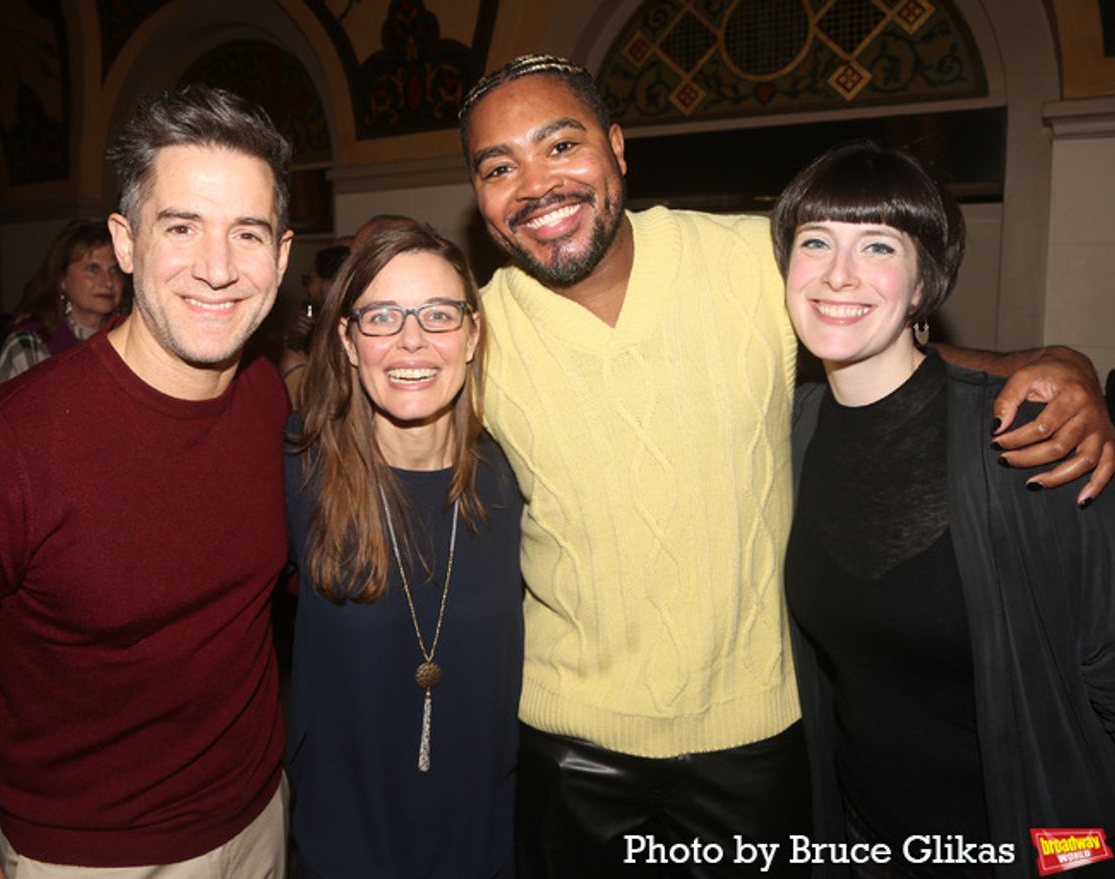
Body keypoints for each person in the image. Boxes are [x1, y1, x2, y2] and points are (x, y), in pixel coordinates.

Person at [456, 54, 1115, 876]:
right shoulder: (470, 335)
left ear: (617, 146)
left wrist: (1052, 364)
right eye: (498, 166)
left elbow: (875, 329)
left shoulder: (750, 259)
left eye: (562, 145)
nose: (536, 184)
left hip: (761, 734)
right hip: (568, 745)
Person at [0, 83, 294, 877]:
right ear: (125, 243)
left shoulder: (267, 396)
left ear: (282, 256)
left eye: (247, 234)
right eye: (181, 227)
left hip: (262, 819)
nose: (218, 269)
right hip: (92, 858)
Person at [776, 141, 1115, 877]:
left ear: (924, 282)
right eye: (815, 242)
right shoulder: (788, 433)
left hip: (1033, 847)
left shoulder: (1032, 437)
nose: (838, 274)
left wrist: (1080, 855)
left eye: (877, 245)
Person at [285, 225, 523, 878]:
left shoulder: (515, 478)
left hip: (487, 848)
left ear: (472, 336)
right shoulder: (300, 468)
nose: (411, 340)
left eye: (438, 315)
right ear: (348, 341)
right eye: (383, 316)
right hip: (343, 851)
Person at [0, 220, 124, 389]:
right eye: (92, 269)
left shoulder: (131, 338)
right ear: (61, 280)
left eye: (115, 270)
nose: (108, 282)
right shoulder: (30, 344)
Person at [279, 242, 350, 405]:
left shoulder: (338, 327)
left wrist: (291, 353)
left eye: (309, 280)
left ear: (327, 283)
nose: (307, 289)